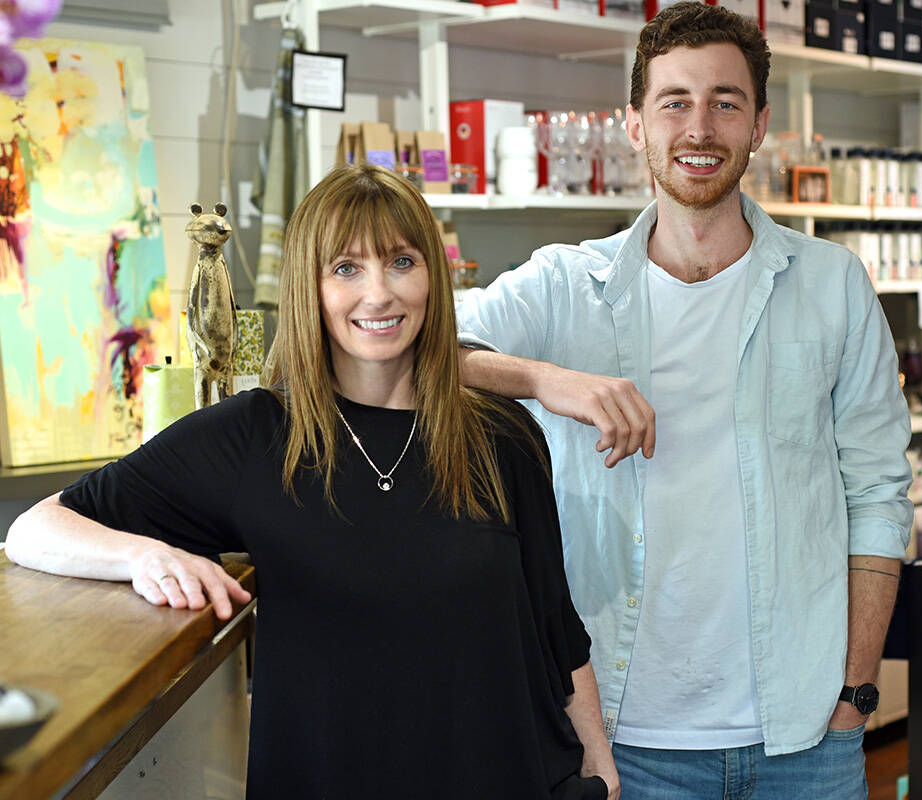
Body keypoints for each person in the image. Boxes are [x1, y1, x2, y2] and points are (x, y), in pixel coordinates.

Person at [6, 164, 617, 800]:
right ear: (309, 286)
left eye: (402, 262)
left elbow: (556, 632)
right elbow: (36, 527)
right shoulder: (254, 437)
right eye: (346, 268)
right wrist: (143, 555)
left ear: (433, 276)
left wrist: (599, 764)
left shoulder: (504, 437)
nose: (379, 294)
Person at [455, 3, 913, 797]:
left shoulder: (833, 286)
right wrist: (548, 380)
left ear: (760, 123)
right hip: (623, 742)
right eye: (674, 102)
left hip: (804, 741)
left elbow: (876, 491)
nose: (698, 128)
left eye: (724, 103)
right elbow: (420, 347)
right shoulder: (566, 285)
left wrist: (854, 694)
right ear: (633, 124)